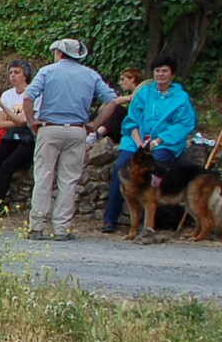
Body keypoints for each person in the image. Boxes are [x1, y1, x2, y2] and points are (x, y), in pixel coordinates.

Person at [22, 38, 118, 240]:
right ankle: (61, 228)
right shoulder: (90, 74)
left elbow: (28, 97)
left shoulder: (47, 71)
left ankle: (37, 225)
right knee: (68, 179)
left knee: (44, 176)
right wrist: (95, 123)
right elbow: (112, 100)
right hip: (77, 130)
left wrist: (31, 120)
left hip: (50, 128)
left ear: (59, 53)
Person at [102, 55, 196, 234]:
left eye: (164, 71)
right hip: (136, 141)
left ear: (172, 74)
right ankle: (110, 218)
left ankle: (148, 221)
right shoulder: (144, 92)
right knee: (121, 168)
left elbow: (183, 124)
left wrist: (158, 141)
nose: (160, 74)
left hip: (163, 143)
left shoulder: (180, 97)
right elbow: (131, 120)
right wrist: (139, 142)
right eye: (157, 71)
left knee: (154, 168)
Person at [0, 60, 36, 216]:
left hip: (27, 138)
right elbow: (1, 123)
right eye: (10, 73)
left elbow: (23, 121)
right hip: (10, 137)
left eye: (16, 72)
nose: (12, 76)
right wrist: (15, 120)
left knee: (7, 166)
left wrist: (3, 106)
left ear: (25, 75)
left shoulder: (32, 93)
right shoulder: (7, 94)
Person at [88, 69, 143, 145]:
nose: (121, 83)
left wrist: (110, 103)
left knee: (116, 108)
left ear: (132, 79)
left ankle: (97, 134)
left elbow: (129, 98)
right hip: (124, 125)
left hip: (134, 126)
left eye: (123, 79)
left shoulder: (142, 91)